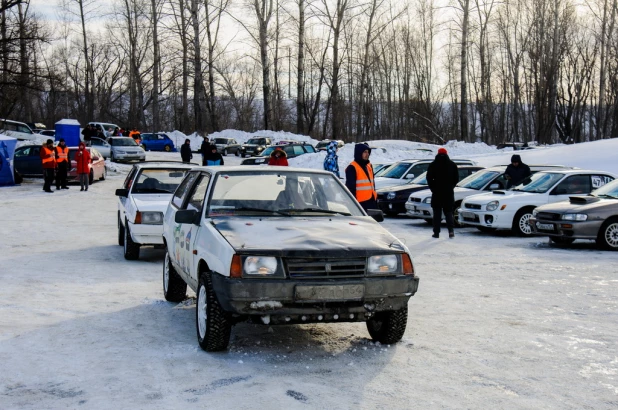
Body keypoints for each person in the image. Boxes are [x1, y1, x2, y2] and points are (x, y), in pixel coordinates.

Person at [426, 147, 459, 239]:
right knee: (448, 213)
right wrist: (450, 186)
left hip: (437, 193)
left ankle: (436, 233)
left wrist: (433, 188)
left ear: (438, 153)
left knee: (437, 214)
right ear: (446, 154)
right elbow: (456, 179)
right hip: (448, 193)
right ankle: (451, 231)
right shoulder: (452, 165)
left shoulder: (433, 164)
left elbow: (429, 178)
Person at [345, 143, 377, 211]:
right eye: (365, 152)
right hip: (360, 203)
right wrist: (353, 204)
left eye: (368, 152)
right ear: (359, 153)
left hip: (371, 201)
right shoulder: (352, 167)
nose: (367, 154)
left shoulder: (369, 166)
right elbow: (350, 188)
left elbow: (372, 184)